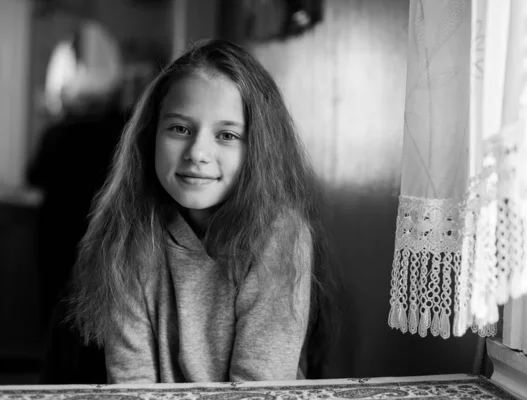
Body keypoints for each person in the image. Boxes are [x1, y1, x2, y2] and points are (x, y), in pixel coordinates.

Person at [68, 39, 333, 383]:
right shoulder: (128, 232)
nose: (198, 152)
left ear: (259, 149)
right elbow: (132, 385)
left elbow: (260, 388)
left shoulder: (280, 234)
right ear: (151, 137)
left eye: (226, 134)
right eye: (180, 129)